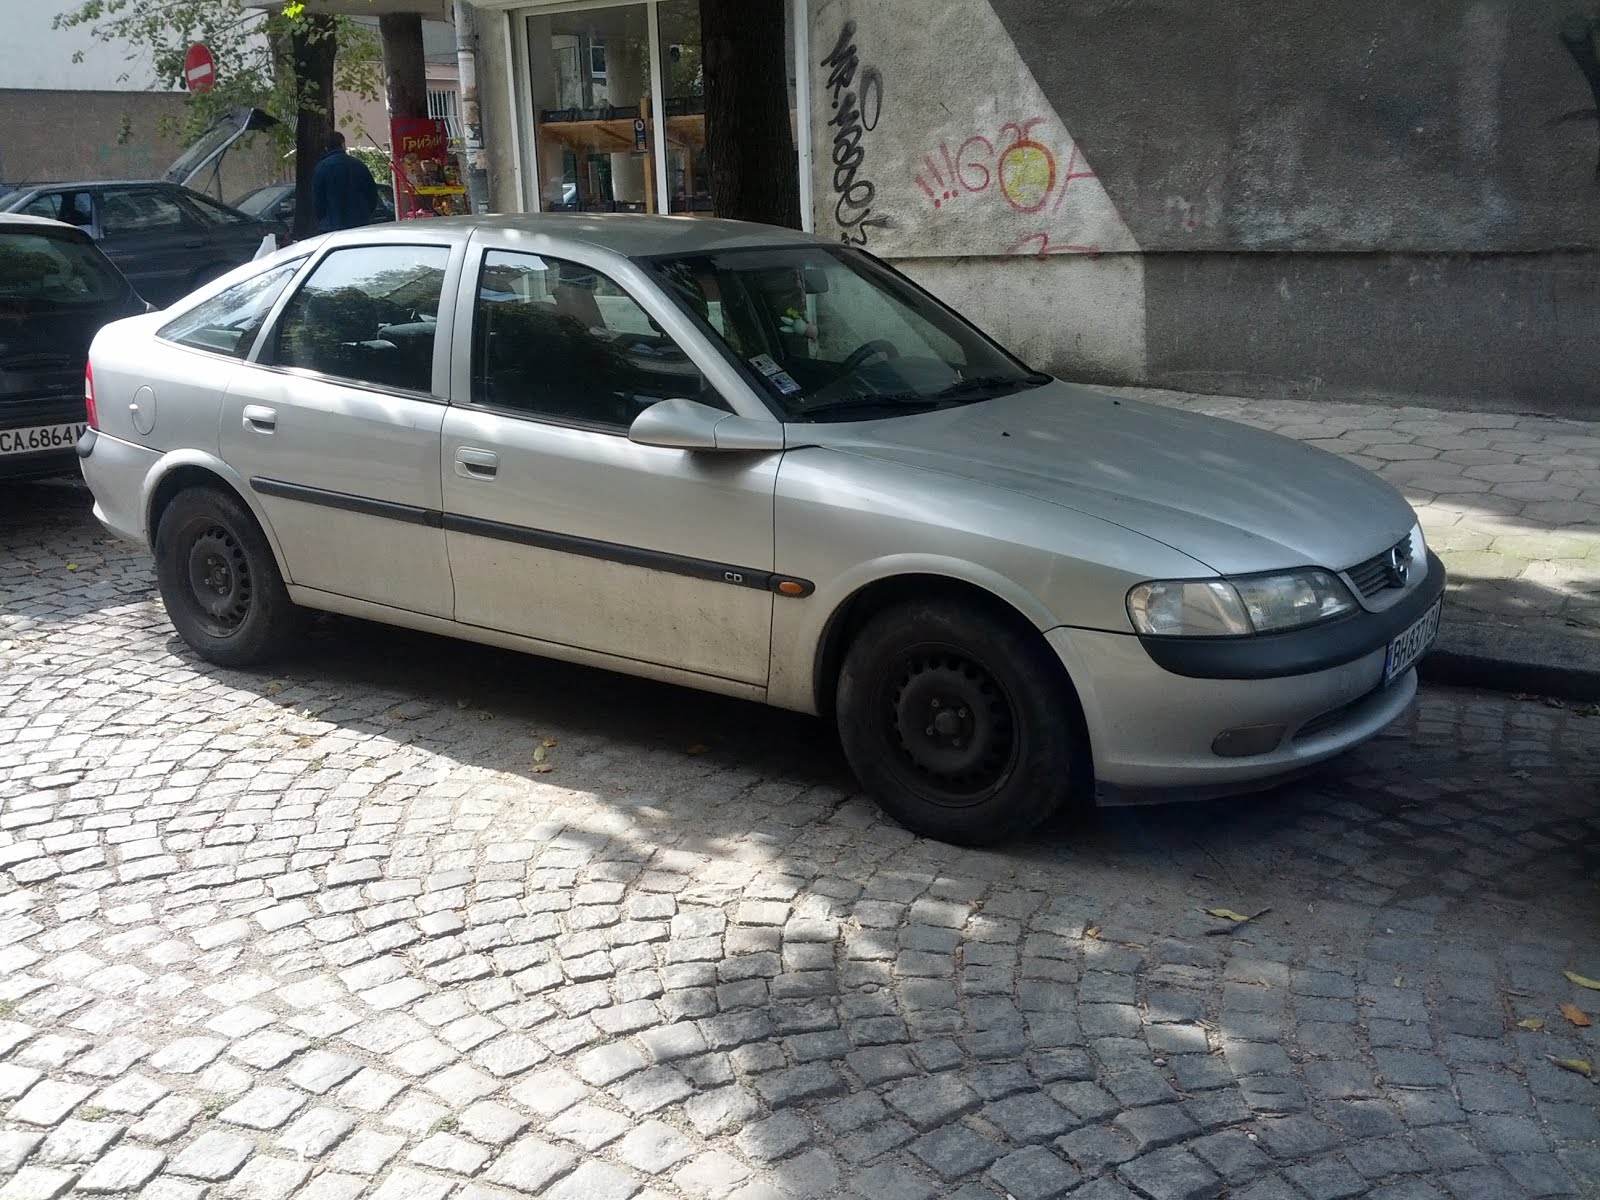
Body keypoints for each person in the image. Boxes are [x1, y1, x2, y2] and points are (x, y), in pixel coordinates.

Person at [311, 132, 379, 233]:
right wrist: (365, 215)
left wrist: (324, 219)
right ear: (343, 144)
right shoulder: (359, 165)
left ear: (326, 148)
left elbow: (317, 200)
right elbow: (372, 194)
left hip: (331, 227)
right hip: (359, 225)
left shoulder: (321, 168)